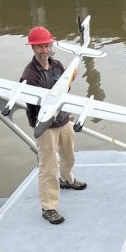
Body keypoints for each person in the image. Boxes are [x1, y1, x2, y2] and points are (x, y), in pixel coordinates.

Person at [21, 26, 87, 225]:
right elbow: (32, 102)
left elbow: (64, 87)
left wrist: (70, 80)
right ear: (33, 48)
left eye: (47, 45)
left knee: (69, 155)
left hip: (63, 120)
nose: (44, 50)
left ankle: (67, 179)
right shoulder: (29, 75)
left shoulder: (57, 65)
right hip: (45, 125)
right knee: (48, 166)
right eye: (39, 46)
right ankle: (48, 207)